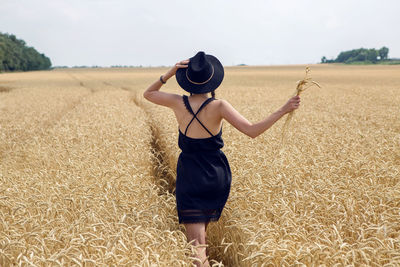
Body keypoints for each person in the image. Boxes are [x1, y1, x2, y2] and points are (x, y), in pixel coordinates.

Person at [143, 51, 300, 266]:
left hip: (190, 176)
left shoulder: (178, 102)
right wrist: (284, 109)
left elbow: (148, 94)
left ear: (187, 79)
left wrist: (170, 73)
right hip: (216, 176)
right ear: (212, 79)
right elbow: (253, 131)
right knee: (201, 241)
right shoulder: (219, 106)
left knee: (196, 249)